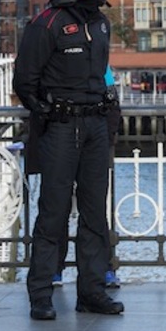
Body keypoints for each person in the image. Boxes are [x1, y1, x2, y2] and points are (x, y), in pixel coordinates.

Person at [14, 0, 124, 320]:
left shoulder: (101, 23)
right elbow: (24, 82)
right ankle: (41, 295)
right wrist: (48, 112)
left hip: (95, 126)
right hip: (61, 128)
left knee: (95, 214)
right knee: (53, 214)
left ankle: (92, 292)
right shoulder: (47, 24)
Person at [51, 67, 122, 289]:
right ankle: (55, 268)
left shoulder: (99, 62)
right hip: (62, 133)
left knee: (93, 208)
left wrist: (106, 139)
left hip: (92, 138)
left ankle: (100, 268)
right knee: (58, 206)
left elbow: (112, 103)